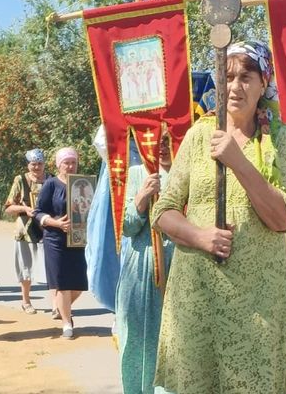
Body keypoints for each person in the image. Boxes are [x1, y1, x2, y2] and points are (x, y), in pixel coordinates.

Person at [152, 41, 286, 394]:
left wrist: (238, 160)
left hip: (258, 303)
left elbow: (282, 219)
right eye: (227, 77)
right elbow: (163, 210)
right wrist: (200, 236)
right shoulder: (198, 135)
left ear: (263, 83)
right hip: (198, 295)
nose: (235, 86)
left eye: (246, 77)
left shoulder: (277, 137)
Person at [116, 135, 174, 394]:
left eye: (168, 139)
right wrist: (142, 197)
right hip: (142, 269)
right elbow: (126, 227)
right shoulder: (137, 173)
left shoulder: (188, 172)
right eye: (157, 140)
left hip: (179, 266)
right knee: (138, 337)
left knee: (173, 339)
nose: (162, 146)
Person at [33, 147, 88, 340]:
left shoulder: (83, 183)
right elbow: (38, 212)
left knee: (79, 284)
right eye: (66, 163)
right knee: (63, 283)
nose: (70, 166)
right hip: (55, 239)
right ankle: (67, 323)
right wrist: (56, 223)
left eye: (73, 162)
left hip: (78, 239)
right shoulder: (51, 184)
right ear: (59, 165)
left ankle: (60, 307)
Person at [4, 148, 49, 314]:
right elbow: (8, 207)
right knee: (25, 267)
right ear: (28, 164)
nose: (37, 167)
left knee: (52, 268)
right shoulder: (20, 180)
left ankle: (57, 304)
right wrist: (25, 209)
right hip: (25, 230)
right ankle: (26, 301)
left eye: (40, 164)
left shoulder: (51, 179)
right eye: (33, 164)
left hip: (48, 229)